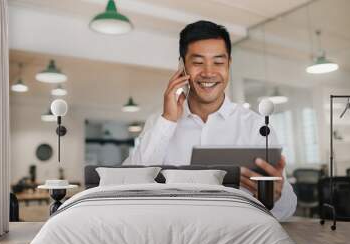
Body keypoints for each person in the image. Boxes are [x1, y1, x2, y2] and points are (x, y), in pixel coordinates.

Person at [123, 20, 297, 221]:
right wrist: (168, 121)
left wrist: (276, 195)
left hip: (236, 241)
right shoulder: (160, 122)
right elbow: (129, 185)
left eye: (218, 62)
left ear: (229, 64)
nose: (208, 72)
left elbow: (288, 209)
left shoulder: (256, 126)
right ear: (182, 65)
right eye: (197, 62)